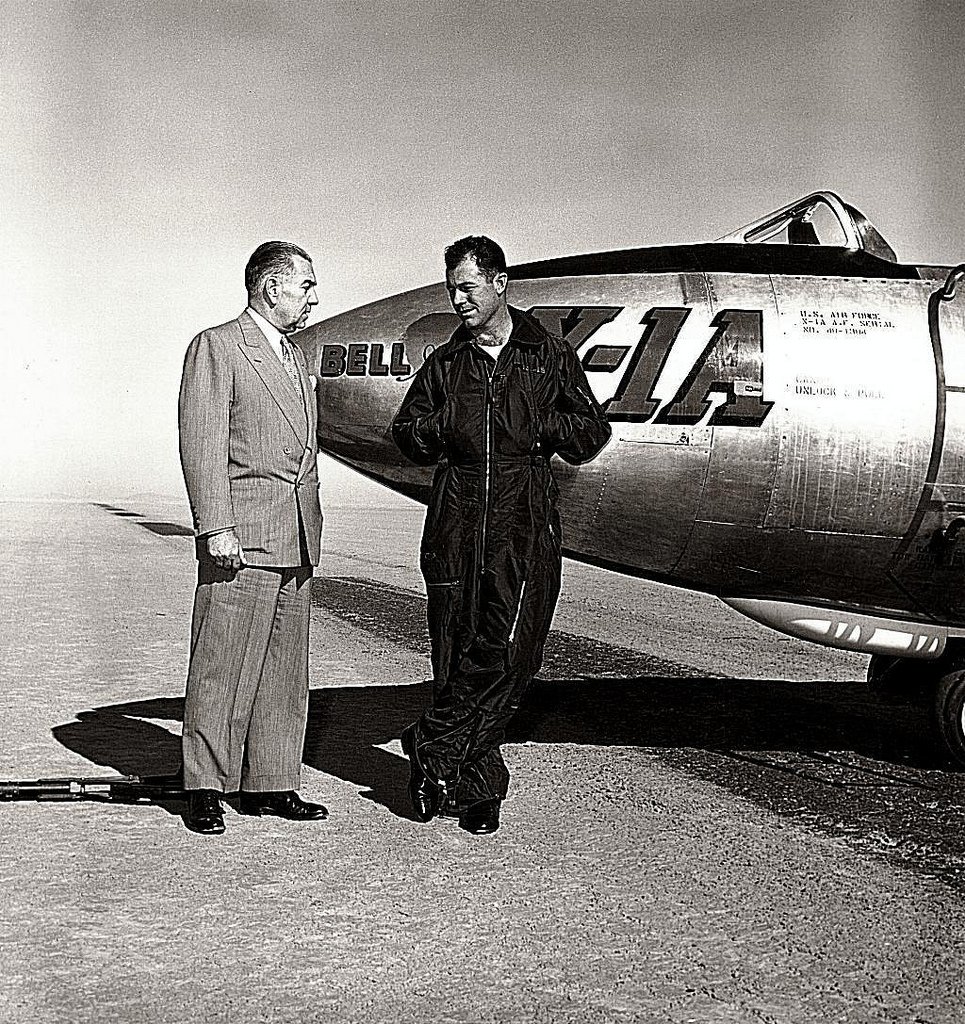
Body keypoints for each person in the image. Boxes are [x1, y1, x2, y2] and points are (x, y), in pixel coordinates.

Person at [391, 236, 611, 834]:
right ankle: (477, 784)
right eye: (451, 289)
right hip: (455, 525)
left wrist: (536, 419)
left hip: (524, 524)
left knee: (512, 654)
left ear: (500, 283)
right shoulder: (444, 364)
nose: (458, 300)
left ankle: (433, 749)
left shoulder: (548, 355)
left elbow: (590, 436)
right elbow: (406, 435)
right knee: (455, 652)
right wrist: (447, 424)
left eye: (468, 287)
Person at [177, 240, 329, 835]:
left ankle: (270, 782)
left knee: (284, 669)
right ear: (270, 287)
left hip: (294, 535)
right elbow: (202, 441)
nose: (313, 298)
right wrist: (215, 524)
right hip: (242, 534)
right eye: (305, 286)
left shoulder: (294, 356)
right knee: (222, 662)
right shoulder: (216, 346)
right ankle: (206, 786)